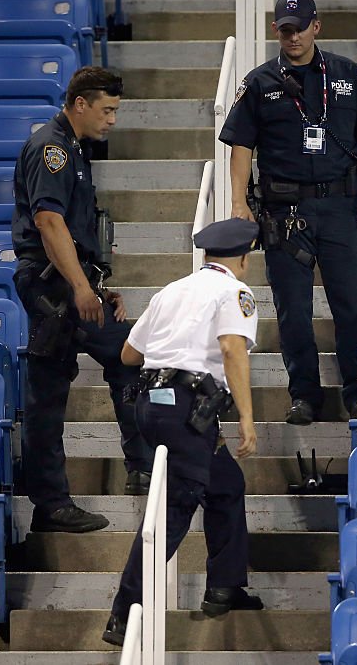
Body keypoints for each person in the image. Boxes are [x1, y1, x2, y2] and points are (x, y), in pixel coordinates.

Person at [218, 0, 357, 425]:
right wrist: (239, 202)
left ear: (317, 27)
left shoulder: (347, 74)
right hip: (284, 213)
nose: (292, 37)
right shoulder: (260, 83)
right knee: (292, 310)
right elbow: (240, 147)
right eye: (284, 30)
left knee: (353, 305)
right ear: (276, 31)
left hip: (338, 207)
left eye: (299, 28)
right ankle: (304, 396)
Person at [102, 218, 264, 645]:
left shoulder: (171, 290)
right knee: (174, 508)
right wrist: (246, 418)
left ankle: (224, 586)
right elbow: (232, 350)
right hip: (187, 409)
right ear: (243, 259)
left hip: (153, 406)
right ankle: (124, 613)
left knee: (225, 484)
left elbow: (129, 353)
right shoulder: (235, 292)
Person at [12, 66, 154, 534]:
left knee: (128, 355)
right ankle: (53, 504)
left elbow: (74, 229)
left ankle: (140, 466)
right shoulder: (51, 149)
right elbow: (50, 224)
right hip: (54, 288)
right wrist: (78, 287)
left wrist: (95, 284)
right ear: (80, 104)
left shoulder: (72, 149)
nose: (112, 120)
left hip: (71, 283)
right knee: (48, 395)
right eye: (107, 110)